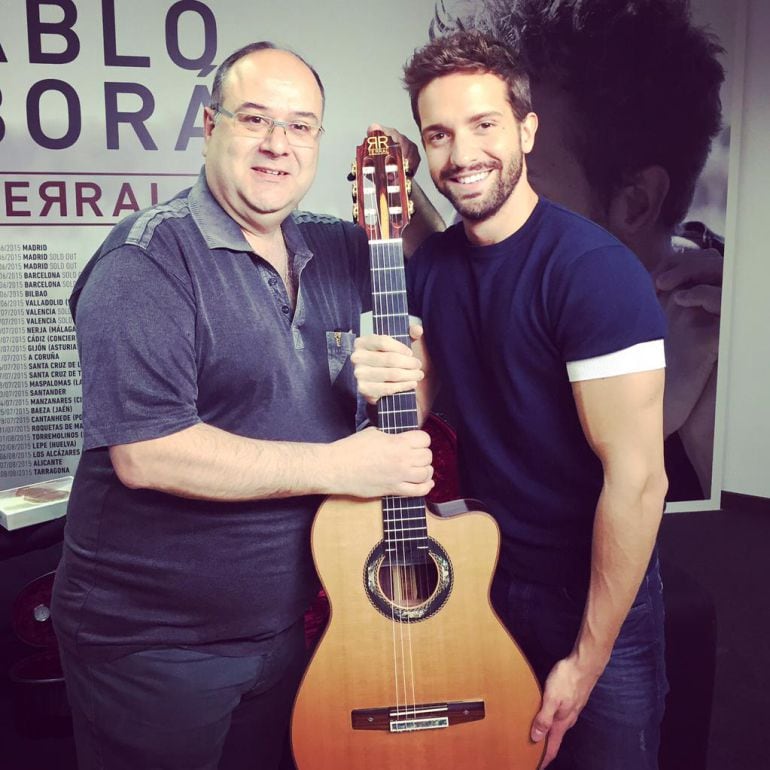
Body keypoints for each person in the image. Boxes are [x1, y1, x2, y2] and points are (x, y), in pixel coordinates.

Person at [50, 42, 436, 770]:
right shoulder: (148, 261)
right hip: (154, 646)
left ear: (320, 141)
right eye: (255, 118)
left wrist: (409, 187)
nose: (276, 145)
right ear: (210, 125)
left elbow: (440, 265)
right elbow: (148, 452)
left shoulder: (335, 246)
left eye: (299, 126)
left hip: (286, 630)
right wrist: (342, 466)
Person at [353, 30, 669, 769]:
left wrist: (586, 660)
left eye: (484, 124)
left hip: (595, 588)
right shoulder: (431, 268)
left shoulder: (593, 274)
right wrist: (388, 385)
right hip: (487, 574)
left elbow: (639, 480)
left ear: (527, 128)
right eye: (439, 134)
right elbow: (428, 407)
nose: (462, 154)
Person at [430, 0, 726, 499]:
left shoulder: (727, 338)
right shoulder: (471, 278)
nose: (472, 191)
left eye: (519, 175)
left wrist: (722, 435)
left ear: (635, 204)